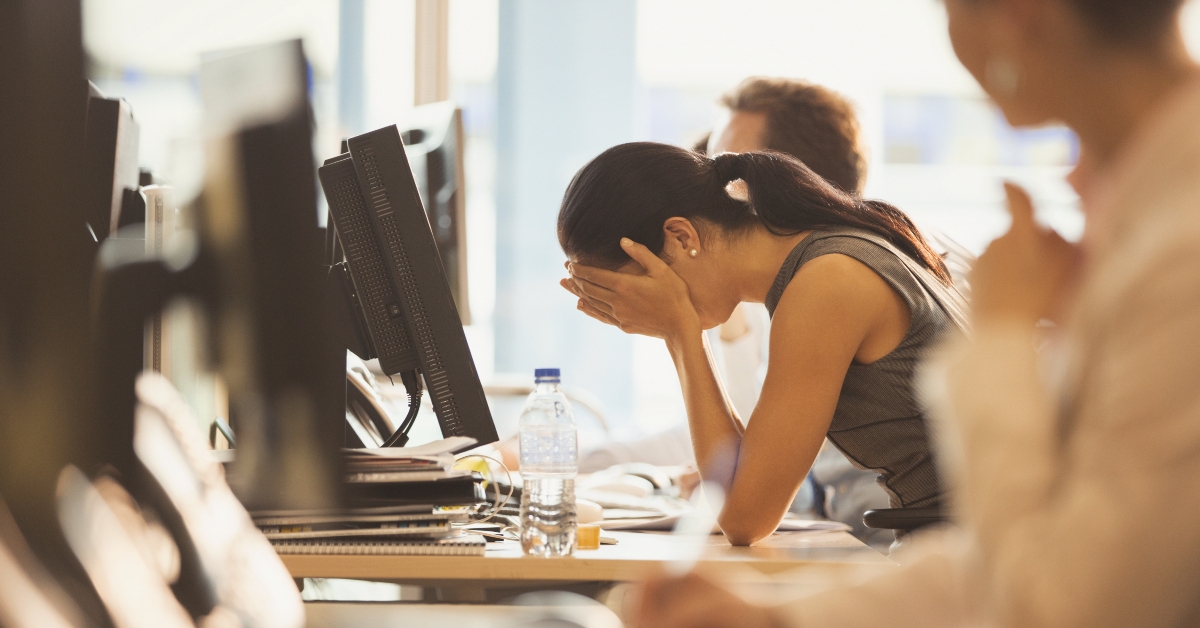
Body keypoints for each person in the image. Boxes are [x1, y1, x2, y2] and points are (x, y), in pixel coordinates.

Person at [634, 0, 1200, 625]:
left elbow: (1070, 600)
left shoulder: (1179, 245)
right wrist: (775, 617)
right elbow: (1003, 554)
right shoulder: (1142, 202)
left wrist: (1002, 336)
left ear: (1018, 17)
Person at [559, 141, 968, 545]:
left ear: (681, 237)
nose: (638, 309)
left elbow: (744, 518)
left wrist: (679, 331)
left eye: (639, 288)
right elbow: (742, 478)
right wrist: (679, 329)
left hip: (972, 556)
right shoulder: (820, 262)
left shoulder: (827, 282)